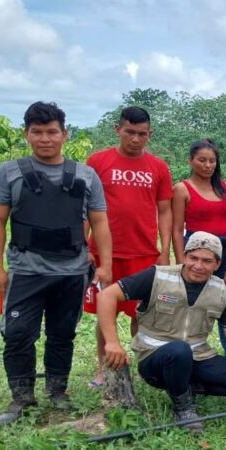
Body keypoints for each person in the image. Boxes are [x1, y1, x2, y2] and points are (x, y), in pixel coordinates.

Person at [0, 101, 112, 425]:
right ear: (27, 134)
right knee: (17, 334)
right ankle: (21, 398)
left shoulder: (85, 176)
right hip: (25, 270)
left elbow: (100, 223)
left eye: (52, 132)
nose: (45, 139)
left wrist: (105, 266)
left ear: (64, 134)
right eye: (37, 132)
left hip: (71, 271)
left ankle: (58, 392)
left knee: (62, 334)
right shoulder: (9, 172)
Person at [97, 232, 226, 433]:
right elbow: (106, 296)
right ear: (185, 256)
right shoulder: (157, 276)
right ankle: (183, 408)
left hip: (195, 357)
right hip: (154, 358)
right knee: (179, 351)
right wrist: (112, 342)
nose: (198, 266)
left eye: (207, 261)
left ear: (217, 265)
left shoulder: (221, 291)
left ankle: (184, 387)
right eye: (193, 258)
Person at [83, 106, 173, 387]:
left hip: (144, 253)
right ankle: (103, 370)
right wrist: (81, 245)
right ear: (118, 129)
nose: (135, 139)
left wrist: (164, 250)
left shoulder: (158, 167)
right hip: (104, 253)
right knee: (104, 313)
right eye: (130, 132)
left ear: (150, 134)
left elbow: (165, 211)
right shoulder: (97, 162)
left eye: (142, 134)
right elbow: (84, 207)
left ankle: (140, 369)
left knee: (142, 315)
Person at [171, 139, 226, 353]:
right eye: (202, 160)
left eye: (212, 161)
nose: (207, 165)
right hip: (197, 251)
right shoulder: (182, 189)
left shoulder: (225, 187)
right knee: (193, 301)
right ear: (191, 161)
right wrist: (181, 261)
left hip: (224, 250)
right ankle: (186, 351)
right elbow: (177, 229)